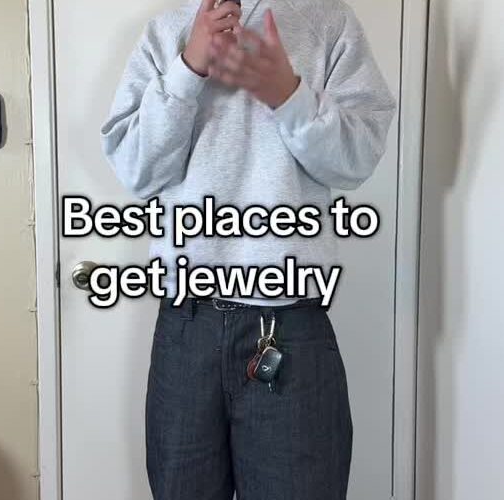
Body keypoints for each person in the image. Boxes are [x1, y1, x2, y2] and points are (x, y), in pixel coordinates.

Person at [101, 0, 396, 498]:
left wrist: (290, 96)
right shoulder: (167, 32)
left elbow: (358, 159)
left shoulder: (328, 21)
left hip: (291, 326)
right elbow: (135, 170)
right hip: (186, 326)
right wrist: (188, 69)